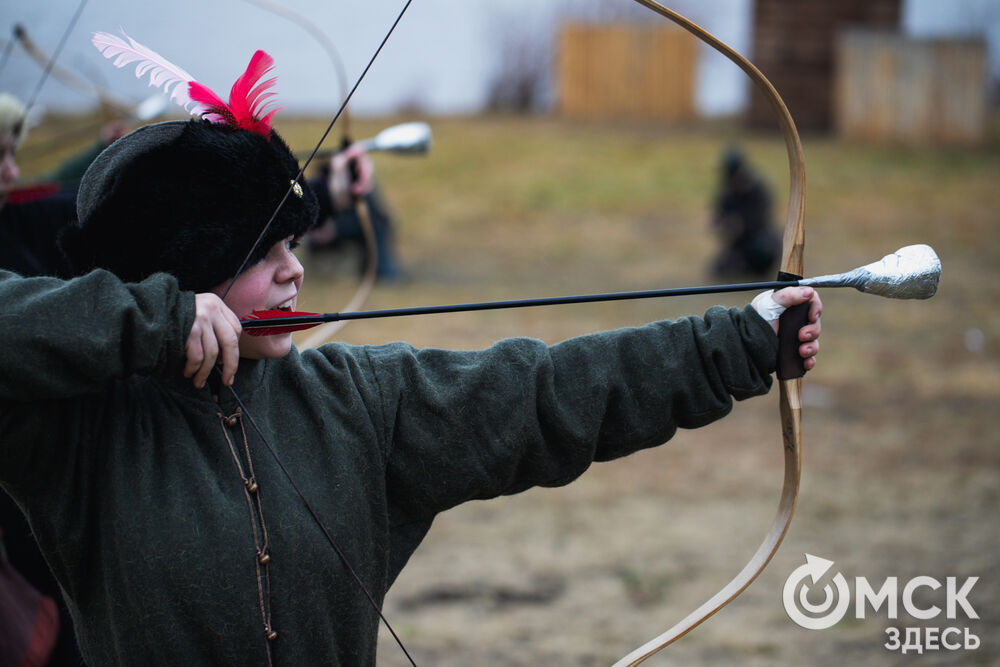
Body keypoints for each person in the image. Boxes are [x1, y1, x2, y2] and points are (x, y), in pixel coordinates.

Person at [0, 55, 821, 665]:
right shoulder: (79, 427)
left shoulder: (353, 399)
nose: (294, 270)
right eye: (263, 251)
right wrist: (150, 320)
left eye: (295, 244)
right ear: (181, 264)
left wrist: (740, 340)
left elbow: (547, 393)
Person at [307, 143, 403, 281]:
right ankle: (381, 270)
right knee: (376, 223)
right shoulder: (323, 184)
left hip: (345, 227)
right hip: (325, 233)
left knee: (377, 222)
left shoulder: (357, 188)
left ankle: (378, 269)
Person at [709, 148, 782, 279]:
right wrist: (722, 223)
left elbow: (761, 217)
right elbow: (718, 217)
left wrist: (739, 222)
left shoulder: (756, 189)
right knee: (719, 269)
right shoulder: (727, 192)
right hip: (739, 243)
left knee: (762, 253)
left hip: (759, 238)